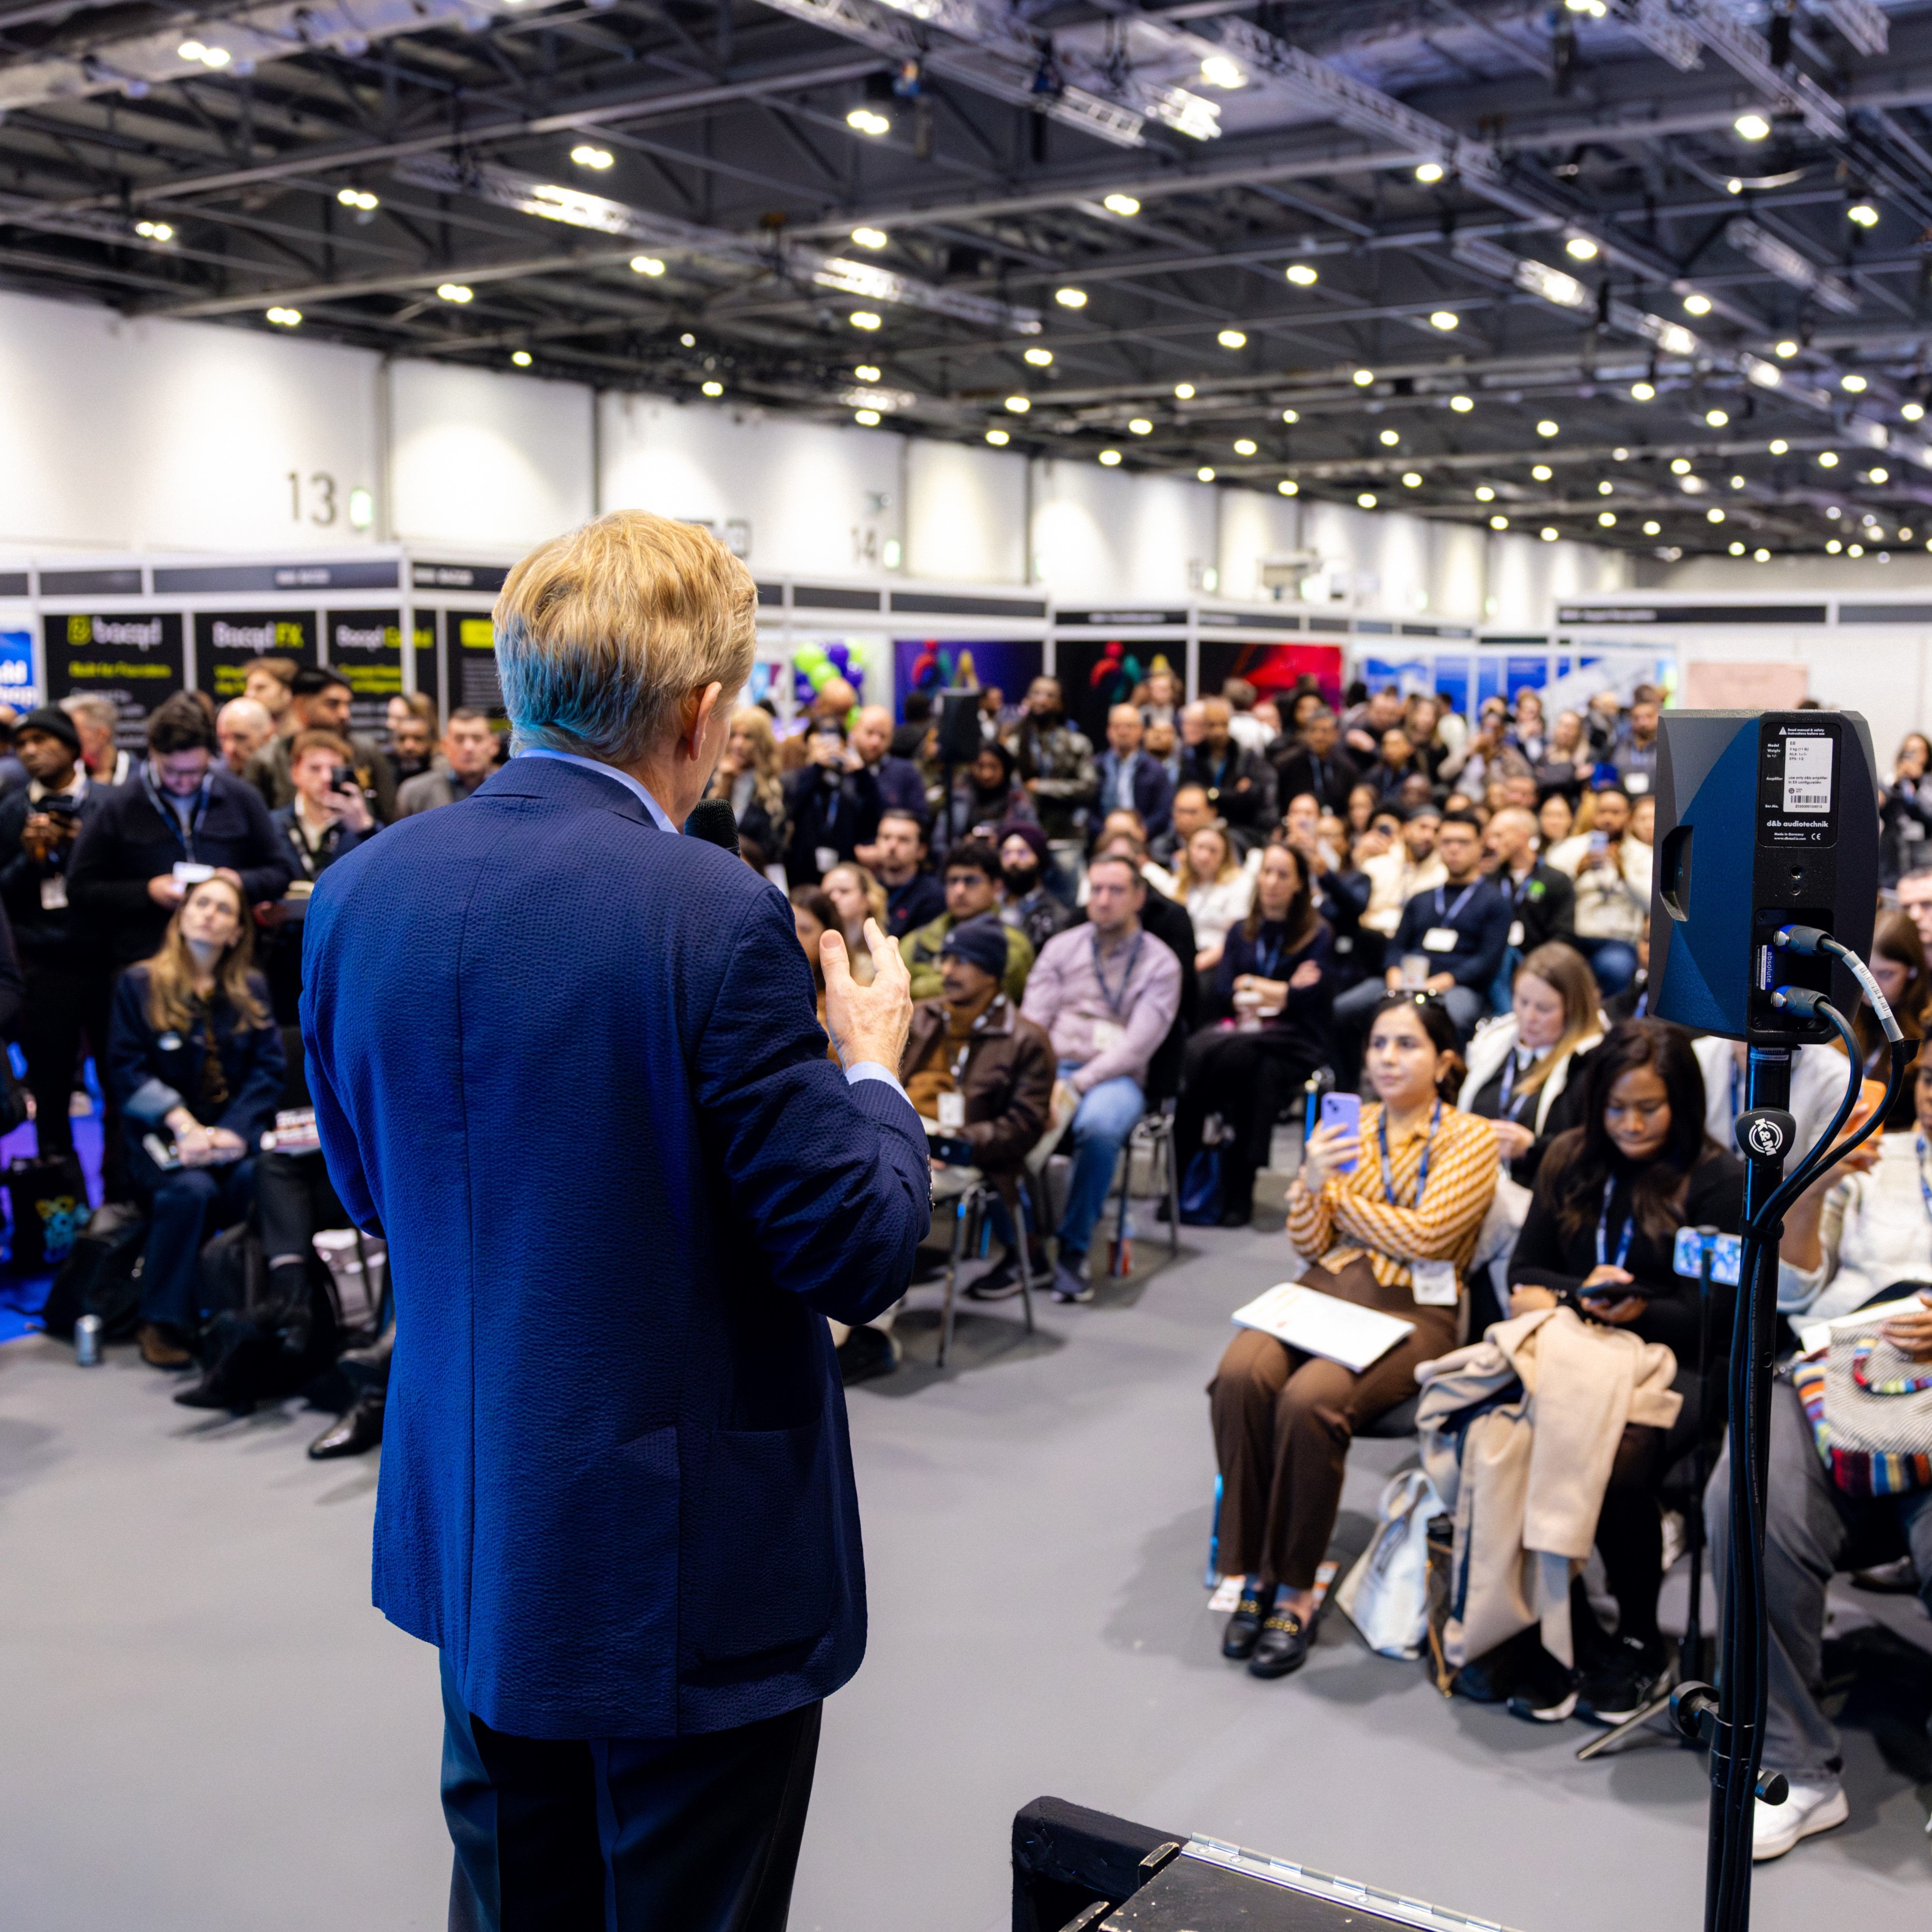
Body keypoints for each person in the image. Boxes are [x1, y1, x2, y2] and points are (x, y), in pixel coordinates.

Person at [300, 510, 929, 1932]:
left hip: (478, 1529)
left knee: (512, 1896)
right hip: (683, 1574)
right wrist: (876, 1062)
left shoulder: (356, 894)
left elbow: (367, 1191)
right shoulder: (710, 911)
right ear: (703, 717)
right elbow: (854, 1248)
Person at [1212, 993, 1497, 1678]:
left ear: (1444, 1060)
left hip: (1412, 1310)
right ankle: (1250, 1569)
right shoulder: (1346, 1125)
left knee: (1310, 1399)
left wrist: (1328, 1192)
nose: (1387, 1059)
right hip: (1324, 1289)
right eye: (1377, 1044)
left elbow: (1429, 1233)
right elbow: (1310, 1243)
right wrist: (1310, 1188)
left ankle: (1295, 1585)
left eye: (1406, 1045)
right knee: (1239, 1373)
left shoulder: (1469, 1136)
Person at [1506, 1019, 1744, 1721]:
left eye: (1648, 1107)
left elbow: (1718, 1315)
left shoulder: (1716, 1181)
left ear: (1681, 1104)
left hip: (1682, 1363)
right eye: (1616, 1107)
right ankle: (1563, 1626)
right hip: (1573, 1349)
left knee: (1614, 1461)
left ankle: (1639, 1635)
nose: (1631, 1123)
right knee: (1506, 1436)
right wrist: (1583, 1295)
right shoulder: (1569, 1158)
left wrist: (1636, 1308)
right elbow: (1525, 1272)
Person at [1707, 1276, 1932, 1859]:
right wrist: (1815, 1186)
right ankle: (1793, 1763)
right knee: (1750, 1499)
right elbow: (1785, 1279)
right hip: (1829, 1360)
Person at [108, 875, 285, 1370]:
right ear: (181, 917)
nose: (210, 914)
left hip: (230, 1133)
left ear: (236, 932)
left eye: (224, 910)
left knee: (263, 1179)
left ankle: (254, 1314)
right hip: (160, 1135)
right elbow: (125, 1069)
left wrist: (232, 1131)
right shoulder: (139, 983)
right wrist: (183, 1125)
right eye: (201, 904)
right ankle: (161, 1320)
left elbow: (268, 1072)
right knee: (191, 1191)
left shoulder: (250, 989)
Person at [1021, 853, 1181, 1302]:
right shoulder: (1062, 947)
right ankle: (1026, 1245)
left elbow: (1137, 1046)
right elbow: (1033, 1024)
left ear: (1138, 898)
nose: (1104, 900)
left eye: (1115, 891)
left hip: (1115, 1077)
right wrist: (1042, 1077)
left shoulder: (1160, 963)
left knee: (1099, 1126)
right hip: (1053, 1066)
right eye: (1096, 890)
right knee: (999, 1116)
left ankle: (1072, 1250)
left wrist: (1075, 1086)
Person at [68, 692, 293, 975]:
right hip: (147, 961)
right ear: (152, 752)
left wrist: (237, 881)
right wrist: (147, 892)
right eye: (172, 772)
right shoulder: (118, 807)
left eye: (196, 772)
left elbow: (281, 871)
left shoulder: (242, 798)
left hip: (229, 962)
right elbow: (80, 889)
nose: (185, 782)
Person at [1173, 843, 1331, 1228]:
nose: (1272, 883)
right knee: (1200, 1057)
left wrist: (1261, 987)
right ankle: (1184, 1179)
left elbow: (1309, 999)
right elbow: (1226, 990)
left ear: (1299, 885)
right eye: (1267, 873)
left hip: (1295, 1041)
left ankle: (1238, 1185)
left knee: (1256, 1068)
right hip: (1242, 1035)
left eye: (1282, 875)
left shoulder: (1318, 934)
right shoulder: (1241, 932)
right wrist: (1280, 990)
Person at [899, 915, 1056, 1303]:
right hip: (906, 1131)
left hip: (964, 1153)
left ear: (992, 972)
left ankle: (868, 1328)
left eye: (961, 961)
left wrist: (949, 1143)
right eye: (945, 960)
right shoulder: (922, 1015)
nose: (947, 971)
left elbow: (1023, 1127)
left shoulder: (1026, 1039)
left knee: (890, 1187)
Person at [0, 707, 106, 1168]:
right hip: (40, 962)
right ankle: (57, 1198)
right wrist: (30, 856)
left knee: (117, 1080)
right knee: (49, 1081)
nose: (30, 751)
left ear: (71, 746)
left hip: (105, 960)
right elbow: (2, 893)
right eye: (22, 744)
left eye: (42, 740)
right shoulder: (11, 807)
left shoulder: (108, 804)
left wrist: (80, 845)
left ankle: (124, 1193)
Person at [1338, 811, 1507, 1042]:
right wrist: (1395, 978)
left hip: (1456, 986)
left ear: (1480, 846)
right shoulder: (1422, 899)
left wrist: (1438, 984)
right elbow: (1396, 947)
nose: (1454, 849)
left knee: (1448, 1019)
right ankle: (1352, 1077)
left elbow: (1486, 960)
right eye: (1447, 842)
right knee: (1343, 1009)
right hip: (1405, 981)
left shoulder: (1494, 902)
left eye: (1463, 842)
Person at [260, 728, 376, 1022]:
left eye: (334, 770)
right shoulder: (271, 825)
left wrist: (363, 827)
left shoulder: (360, 828)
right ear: (295, 772)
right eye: (315, 768)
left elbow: (387, 880)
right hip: (281, 954)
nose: (326, 778)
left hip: (342, 956)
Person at [247, 666, 398, 821]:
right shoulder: (267, 760)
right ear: (300, 705)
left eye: (348, 705)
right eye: (333, 704)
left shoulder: (366, 751)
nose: (344, 714)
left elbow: (391, 817)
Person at [1545, 784, 1649, 994]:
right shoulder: (1569, 849)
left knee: (1614, 967)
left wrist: (1624, 873)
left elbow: (1651, 902)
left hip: (1619, 939)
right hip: (1575, 936)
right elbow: (1546, 893)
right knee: (1553, 968)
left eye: (1616, 812)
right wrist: (1577, 871)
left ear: (1628, 817)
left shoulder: (1644, 854)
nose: (1608, 819)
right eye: (1602, 812)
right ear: (1593, 815)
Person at [901, 839, 1034, 1003]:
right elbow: (892, 991)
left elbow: (984, 995)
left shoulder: (1012, 943)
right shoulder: (918, 940)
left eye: (971, 881)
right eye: (953, 881)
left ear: (996, 886)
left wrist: (918, 987)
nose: (960, 891)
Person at [1850, 910, 1932, 1131]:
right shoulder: (1844, 1019)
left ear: (1912, 971)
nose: (1871, 987)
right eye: (1865, 973)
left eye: (1885, 974)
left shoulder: (1927, 1032)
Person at [1012, 675, 1098, 852]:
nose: (1042, 700)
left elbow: (1088, 787)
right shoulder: (1013, 744)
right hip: (1022, 836)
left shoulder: (1077, 744)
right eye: (1036, 694)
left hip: (1066, 834)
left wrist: (1043, 787)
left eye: (1050, 696)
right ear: (1027, 700)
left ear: (1061, 704)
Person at [1178, 698, 1275, 849]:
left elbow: (1251, 798)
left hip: (1237, 827)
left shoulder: (1246, 757)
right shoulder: (1192, 756)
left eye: (1223, 724)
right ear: (1204, 726)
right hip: (1198, 826)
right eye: (1212, 725)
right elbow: (1186, 793)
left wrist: (1211, 795)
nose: (1218, 731)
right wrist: (1230, 794)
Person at [706, 704, 788, 868]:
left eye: (748, 737)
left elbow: (774, 847)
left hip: (756, 872)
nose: (738, 744)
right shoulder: (710, 779)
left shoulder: (777, 787)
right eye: (734, 735)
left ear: (761, 742)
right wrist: (725, 788)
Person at [1170, 820, 1253, 973]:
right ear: (1189, 850)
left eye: (1213, 850)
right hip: (1183, 957)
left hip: (1219, 960)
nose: (1204, 856)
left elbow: (1237, 936)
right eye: (1200, 848)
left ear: (1225, 854)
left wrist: (1199, 963)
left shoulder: (1240, 883)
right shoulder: (1180, 882)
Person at [1360, 802, 1445, 940]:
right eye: (1423, 827)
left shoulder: (1442, 875)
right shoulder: (1377, 864)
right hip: (1372, 937)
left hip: (1415, 941)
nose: (1429, 836)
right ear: (1406, 829)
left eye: (1436, 831)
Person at [1094, 703, 1175, 841]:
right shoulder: (1096, 766)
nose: (1123, 732)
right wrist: (1104, 832)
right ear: (1109, 731)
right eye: (1117, 726)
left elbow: (1163, 811)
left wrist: (1143, 831)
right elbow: (1087, 809)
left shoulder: (1156, 770)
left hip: (1144, 839)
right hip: (1103, 837)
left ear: (1141, 731)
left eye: (1129, 726)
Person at [396, 709, 499, 815]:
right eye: (459, 739)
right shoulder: (415, 792)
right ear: (445, 746)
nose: (469, 747)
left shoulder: (511, 789)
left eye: (477, 739)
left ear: (494, 745)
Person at [997, 823, 1072, 952]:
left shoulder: (1054, 916)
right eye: (1007, 853)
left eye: (1022, 853)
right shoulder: (991, 904)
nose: (1013, 860)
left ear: (1039, 859)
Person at [871, 807, 946, 936]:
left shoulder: (933, 896)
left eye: (903, 840)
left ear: (921, 850)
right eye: (886, 837)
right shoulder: (868, 887)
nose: (892, 846)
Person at [1271, 706, 1358, 815]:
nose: (1319, 737)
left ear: (1336, 734)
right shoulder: (1286, 764)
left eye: (1325, 731)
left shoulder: (1347, 768)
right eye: (1313, 730)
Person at [944, 739, 1034, 842]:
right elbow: (940, 843)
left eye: (993, 767)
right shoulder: (958, 796)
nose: (987, 774)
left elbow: (1033, 839)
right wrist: (963, 846)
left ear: (1005, 768)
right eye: (980, 766)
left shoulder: (1018, 799)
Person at [849, 703, 926, 820]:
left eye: (883, 736)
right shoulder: (842, 770)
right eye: (869, 733)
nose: (875, 742)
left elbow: (921, 819)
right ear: (854, 731)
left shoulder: (906, 772)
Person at [822, 861, 887, 983]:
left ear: (867, 899)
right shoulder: (816, 948)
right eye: (827, 893)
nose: (834, 898)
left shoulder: (882, 951)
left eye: (844, 891)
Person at [1610, 689, 1661, 795]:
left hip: (1658, 798)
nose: (1643, 723)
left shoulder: (1669, 747)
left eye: (1649, 716)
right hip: (1625, 796)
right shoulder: (1619, 745)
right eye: (1637, 718)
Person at [215, 697, 276, 782]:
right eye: (223, 738)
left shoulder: (290, 776)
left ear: (267, 737)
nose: (230, 748)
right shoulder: (212, 782)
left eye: (240, 737)